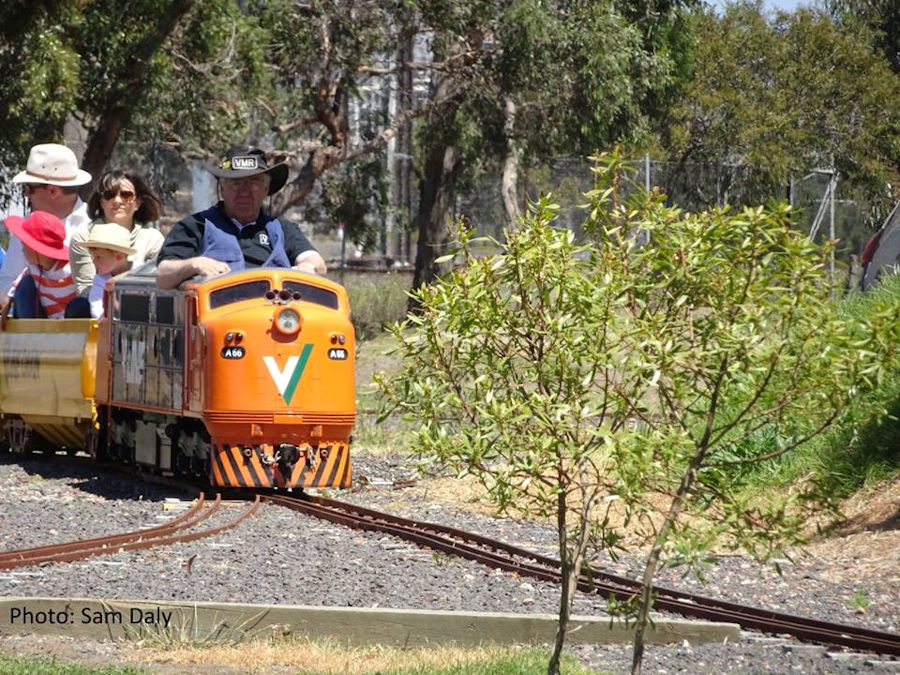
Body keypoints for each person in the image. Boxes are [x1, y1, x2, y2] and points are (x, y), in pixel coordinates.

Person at [156, 147, 326, 289]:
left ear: (266, 189)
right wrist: (194, 264)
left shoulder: (283, 229)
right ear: (222, 189)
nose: (244, 191)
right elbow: (163, 275)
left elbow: (316, 262)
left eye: (253, 182)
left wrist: (307, 266)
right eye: (236, 182)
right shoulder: (196, 225)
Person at [0, 144, 92, 312]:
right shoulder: (26, 228)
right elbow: (7, 284)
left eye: (29, 189)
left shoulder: (93, 228)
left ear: (52, 191)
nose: (26, 194)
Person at [70, 169, 164, 294]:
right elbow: (86, 290)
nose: (117, 201)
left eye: (126, 195)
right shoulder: (83, 238)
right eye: (109, 195)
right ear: (101, 202)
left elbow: (157, 286)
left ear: (137, 203)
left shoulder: (152, 240)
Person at [2, 211, 77, 319]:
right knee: (25, 283)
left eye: (24, 246)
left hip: (67, 324)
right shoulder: (33, 269)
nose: (22, 250)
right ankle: (27, 327)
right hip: (42, 322)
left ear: (36, 249)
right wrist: (9, 302)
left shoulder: (70, 272)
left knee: (78, 305)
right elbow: (17, 285)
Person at [70, 223, 137, 319]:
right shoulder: (100, 278)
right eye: (93, 257)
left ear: (119, 256)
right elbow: (96, 303)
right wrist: (104, 317)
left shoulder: (141, 272)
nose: (93, 261)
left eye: (98, 257)